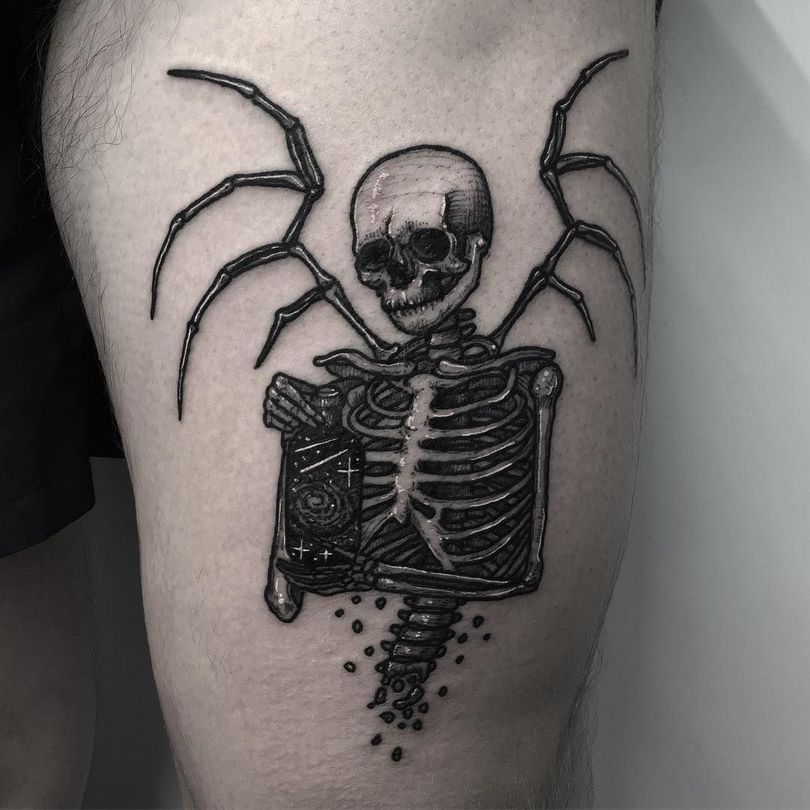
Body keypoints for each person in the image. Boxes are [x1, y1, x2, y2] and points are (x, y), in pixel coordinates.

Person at [3, 1, 659, 806]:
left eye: (429, 247)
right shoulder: (357, 370)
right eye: (376, 260)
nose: (401, 280)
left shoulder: (510, 362)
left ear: (475, 248)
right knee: (15, 744)